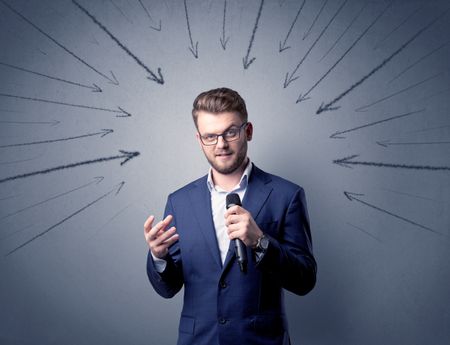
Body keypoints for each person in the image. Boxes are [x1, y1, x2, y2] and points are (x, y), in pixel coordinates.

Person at [144, 87, 317, 345]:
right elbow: (168, 288)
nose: (221, 144)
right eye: (210, 136)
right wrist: (159, 257)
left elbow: (304, 280)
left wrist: (260, 241)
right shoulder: (179, 202)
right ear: (199, 139)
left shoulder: (286, 195)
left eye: (230, 132)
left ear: (248, 131)